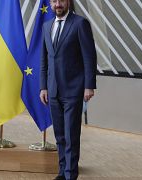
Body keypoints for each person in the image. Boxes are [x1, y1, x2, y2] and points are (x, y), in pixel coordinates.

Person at [39, 0, 96, 180]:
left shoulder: (80, 24)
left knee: (71, 136)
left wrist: (89, 85)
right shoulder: (46, 26)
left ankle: (71, 175)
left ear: (68, 2)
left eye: (61, 0)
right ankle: (62, 172)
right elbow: (44, 60)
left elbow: (89, 56)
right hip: (53, 90)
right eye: (54, 1)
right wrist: (43, 87)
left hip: (74, 89)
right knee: (60, 136)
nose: (57, 4)